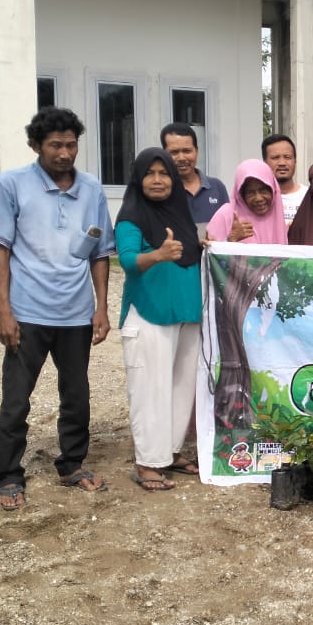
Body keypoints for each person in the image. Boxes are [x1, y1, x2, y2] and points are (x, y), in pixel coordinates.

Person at [0, 107, 115, 508]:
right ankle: (8, 475)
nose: (64, 153)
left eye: (71, 144)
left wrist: (101, 307)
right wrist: (5, 311)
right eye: (55, 145)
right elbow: (0, 250)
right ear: (35, 145)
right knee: (16, 398)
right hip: (27, 312)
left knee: (76, 394)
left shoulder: (91, 189)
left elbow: (101, 253)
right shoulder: (11, 184)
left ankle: (72, 464)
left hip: (76, 313)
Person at [114, 148, 203, 491]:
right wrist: (158, 255)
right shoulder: (131, 216)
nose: (157, 180)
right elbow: (127, 260)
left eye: (164, 173)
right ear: (138, 178)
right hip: (149, 314)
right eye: (149, 173)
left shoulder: (180, 213)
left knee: (181, 386)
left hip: (186, 315)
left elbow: (193, 253)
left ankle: (171, 451)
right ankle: (148, 462)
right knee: (150, 389)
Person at [160, 122, 228, 236]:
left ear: (196, 151)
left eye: (187, 151)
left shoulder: (217, 187)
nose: (181, 158)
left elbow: (227, 228)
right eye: (174, 152)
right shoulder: (161, 191)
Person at [206, 159, 288, 244]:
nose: (258, 198)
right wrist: (230, 240)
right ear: (241, 195)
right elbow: (209, 250)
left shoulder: (277, 214)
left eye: (263, 190)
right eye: (250, 192)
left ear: (272, 189)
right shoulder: (226, 215)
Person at [262, 134, 305, 223]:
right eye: (275, 158)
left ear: (295, 161)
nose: (282, 163)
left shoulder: (309, 196)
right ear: (264, 163)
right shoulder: (258, 199)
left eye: (287, 157)